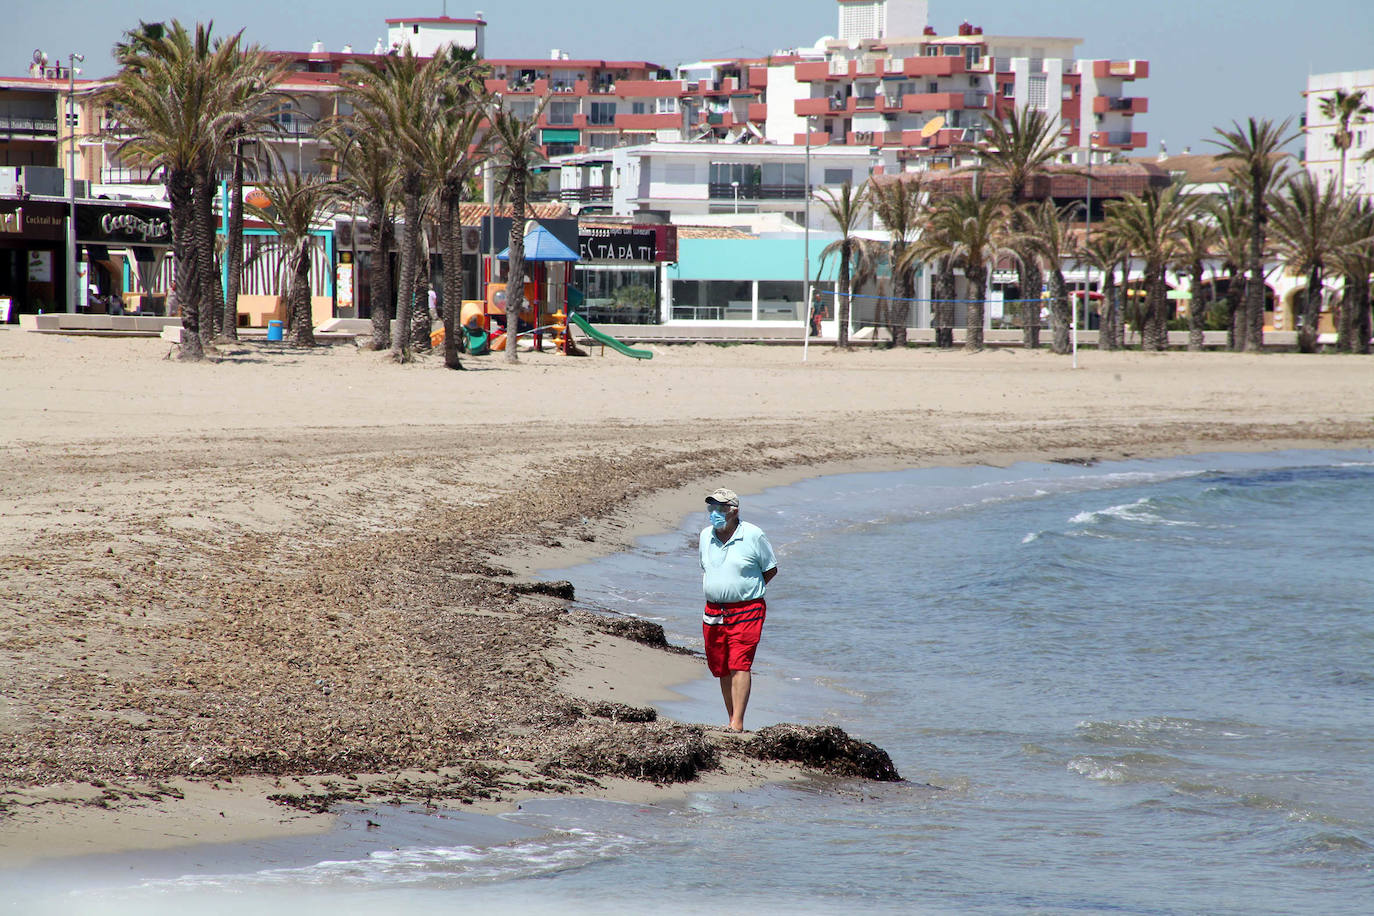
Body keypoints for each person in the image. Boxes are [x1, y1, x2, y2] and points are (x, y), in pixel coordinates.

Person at [699, 487, 777, 732]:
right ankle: (731, 717)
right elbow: (707, 568)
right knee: (720, 665)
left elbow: (770, 569)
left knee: (740, 663)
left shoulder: (754, 535)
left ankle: (737, 723)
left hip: (748, 609)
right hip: (713, 610)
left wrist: (744, 590)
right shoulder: (705, 536)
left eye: (720, 508)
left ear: (734, 510)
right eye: (711, 508)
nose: (714, 513)